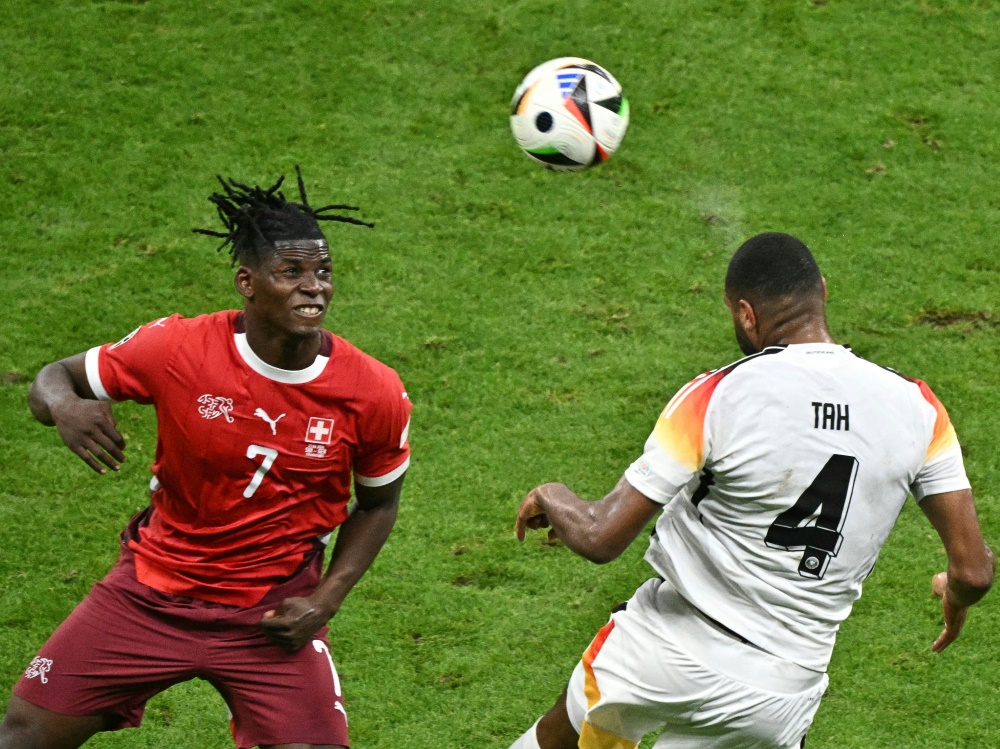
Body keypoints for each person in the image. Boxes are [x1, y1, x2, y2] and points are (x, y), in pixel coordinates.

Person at [509, 232, 995, 749]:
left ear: (745, 314)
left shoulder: (720, 394)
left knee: (556, 739)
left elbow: (600, 536)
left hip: (660, 652)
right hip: (781, 689)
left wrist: (553, 494)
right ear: (823, 292)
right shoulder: (919, 409)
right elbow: (974, 571)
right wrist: (957, 594)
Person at [0, 169, 412, 749]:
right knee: (23, 737)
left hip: (270, 618)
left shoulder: (373, 391)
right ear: (247, 281)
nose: (313, 287)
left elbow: (379, 503)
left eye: (323, 272)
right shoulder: (177, 348)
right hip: (148, 596)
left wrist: (325, 601)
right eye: (290, 272)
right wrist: (66, 406)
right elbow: (53, 378)